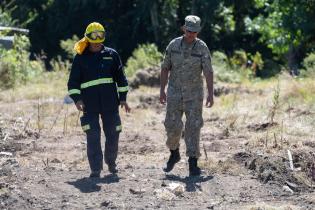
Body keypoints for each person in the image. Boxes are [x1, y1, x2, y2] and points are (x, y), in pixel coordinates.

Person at [68, 22, 130, 178]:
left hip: (110, 104)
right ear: (87, 38)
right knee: (93, 136)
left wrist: (123, 98)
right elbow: (73, 83)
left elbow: (121, 78)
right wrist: (77, 99)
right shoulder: (80, 57)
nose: (97, 40)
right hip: (89, 106)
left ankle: (111, 163)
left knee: (113, 134)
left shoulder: (112, 55)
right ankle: (95, 169)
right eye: (93, 37)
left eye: (100, 36)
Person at [160, 15, 214, 176]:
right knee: (172, 126)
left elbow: (208, 71)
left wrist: (211, 94)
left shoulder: (202, 48)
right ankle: (174, 153)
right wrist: (162, 90)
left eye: (195, 32)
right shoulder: (173, 45)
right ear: (184, 29)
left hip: (194, 95)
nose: (191, 34)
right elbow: (165, 68)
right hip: (174, 93)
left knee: (193, 127)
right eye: (189, 31)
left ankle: (193, 163)